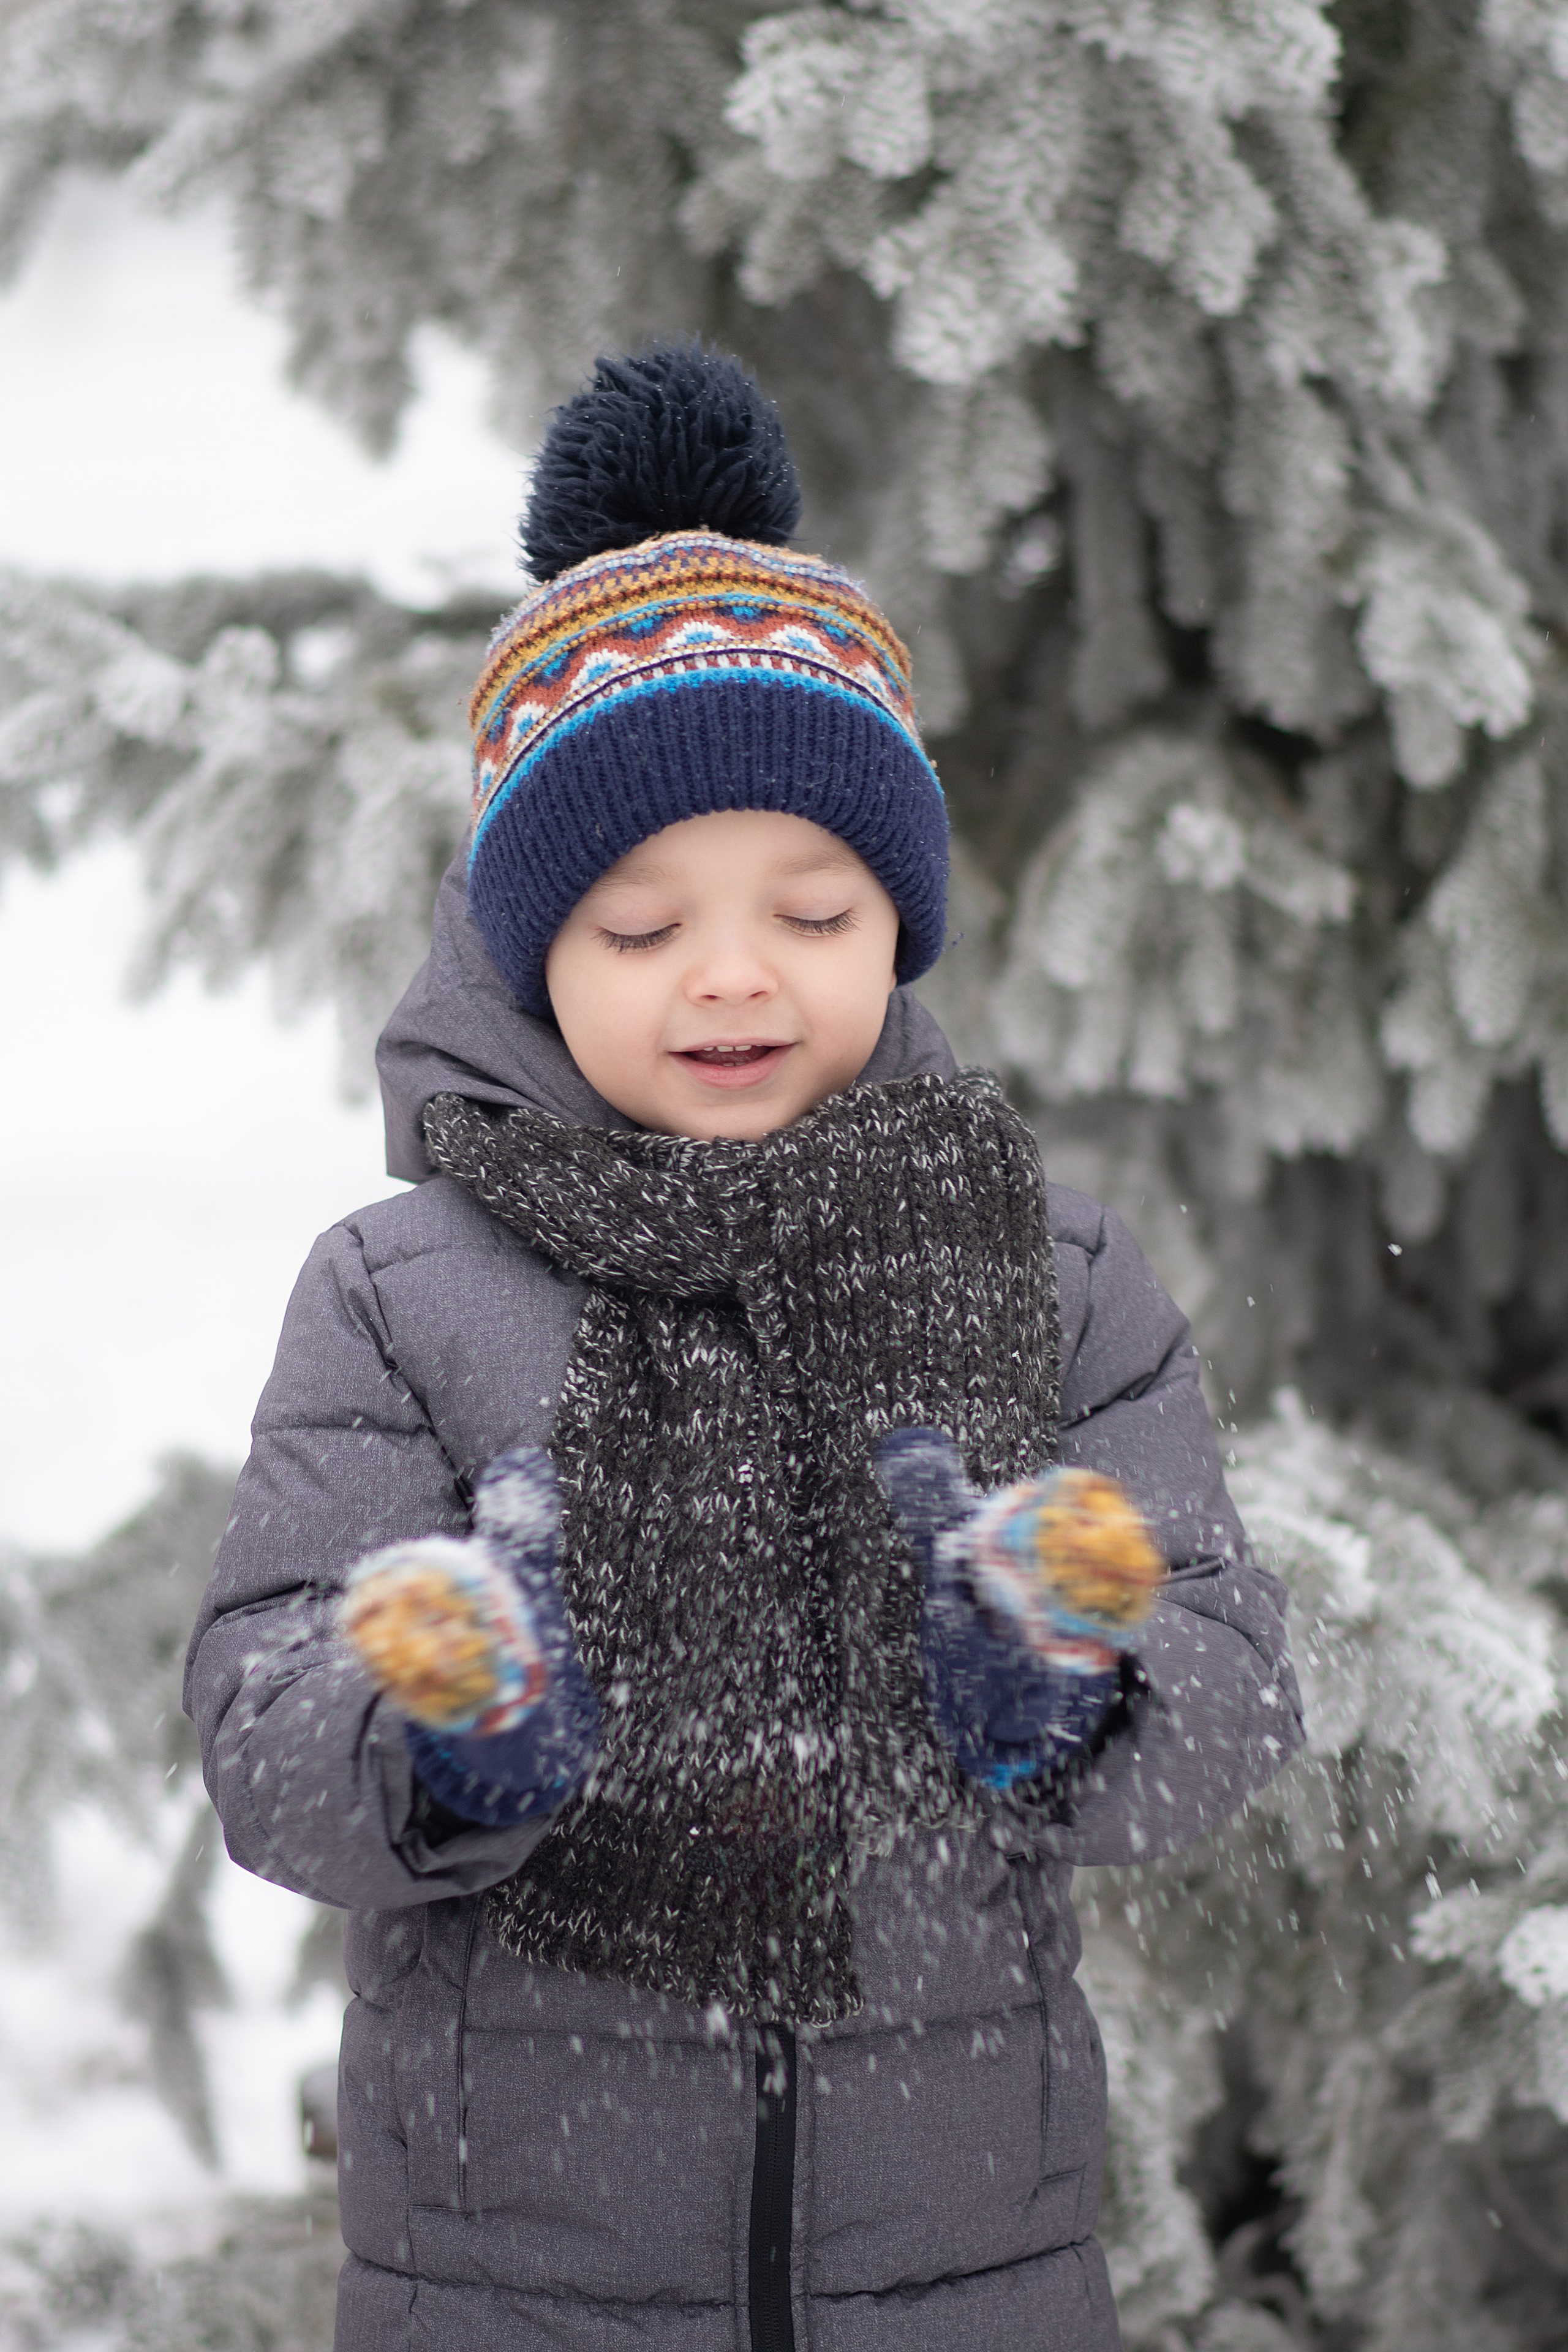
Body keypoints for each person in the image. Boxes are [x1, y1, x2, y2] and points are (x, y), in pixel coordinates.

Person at [184, 343, 1303, 2352]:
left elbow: (1226, 1685)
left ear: (901, 928)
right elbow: (267, 1738)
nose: (733, 974)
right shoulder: (397, 1292)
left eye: (814, 906)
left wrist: (1072, 1689)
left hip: (965, 2270)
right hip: (512, 2284)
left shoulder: (1042, 1268)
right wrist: (437, 1727)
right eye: (639, 926)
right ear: (531, 960)